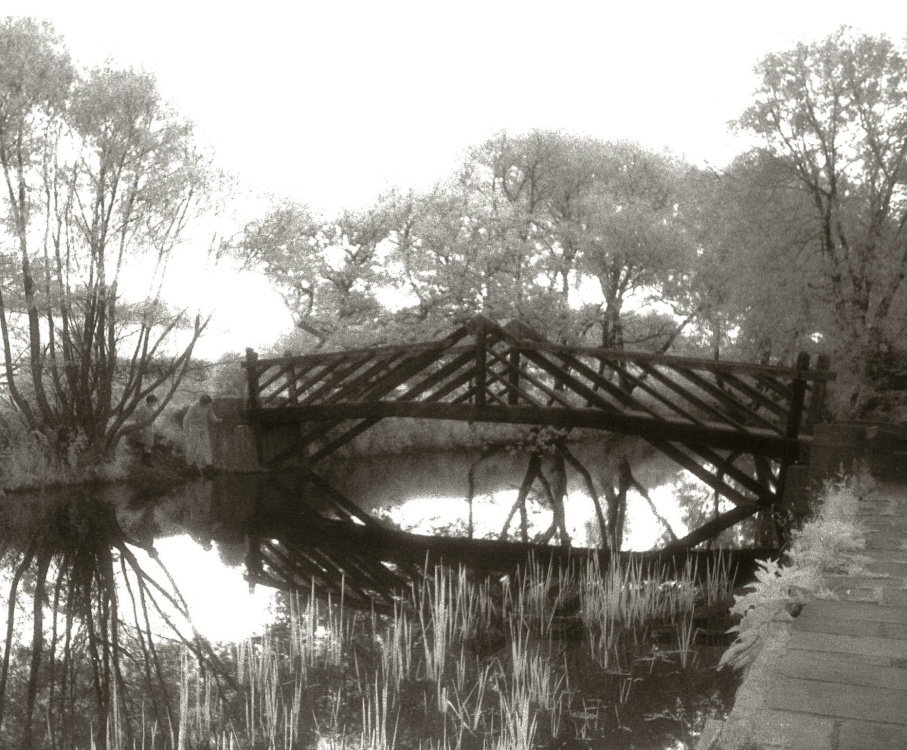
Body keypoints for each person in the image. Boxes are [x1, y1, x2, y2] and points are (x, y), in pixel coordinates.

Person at [182, 394, 221, 473]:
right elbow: (185, 420)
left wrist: (216, 420)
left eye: (208, 404)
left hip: (204, 427)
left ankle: (209, 465)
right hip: (194, 427)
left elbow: (210, 413)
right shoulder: (193, 406)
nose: (207, 405)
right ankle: (189, 464)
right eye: (205, 404)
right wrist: (186, 432)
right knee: (193, 445)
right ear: (201, 402)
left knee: (207, 444)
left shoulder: (208, 405)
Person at [134, 393, 159, 464]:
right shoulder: (143, 408)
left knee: (150, 443)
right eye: (154, 402)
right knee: (149, 443)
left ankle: (144, 459)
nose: (154, 403)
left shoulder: (152, 410)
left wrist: (154, 428)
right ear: (150, 401)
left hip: (150, 428)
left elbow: (152, 420)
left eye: (155, 402)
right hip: (144, 428)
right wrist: (140, 429)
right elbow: (138, 419)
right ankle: (147, 461)